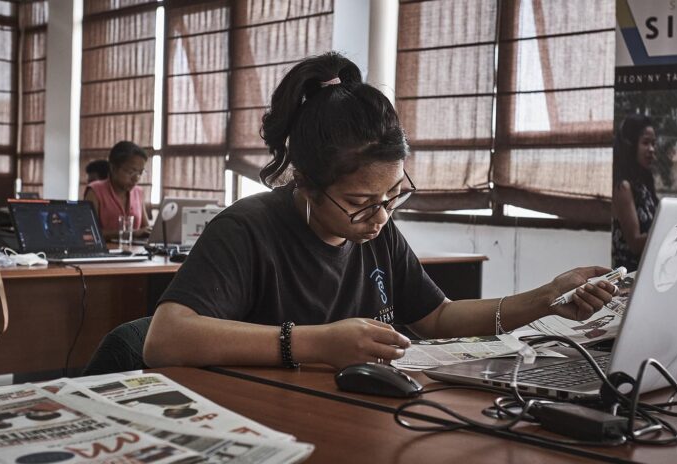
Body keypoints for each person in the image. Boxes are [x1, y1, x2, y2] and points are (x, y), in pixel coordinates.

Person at [143, 52, 616, 370]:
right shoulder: (248, 230)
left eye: (392, 196)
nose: (381, 215)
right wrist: (314, 342)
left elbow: (437, 318)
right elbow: (165, 339)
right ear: (304, 182)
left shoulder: (377, 231)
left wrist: (545, 298)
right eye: (359, 203)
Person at [611, 113, 658, 272]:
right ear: (630, 145)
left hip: (646, 270)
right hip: (628, 277)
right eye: (645, 143)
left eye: (653, 143)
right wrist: (666, 230)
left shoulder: (644, 183)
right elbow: (635, 243)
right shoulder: (623, 187)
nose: (652, 149)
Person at [84, 141, 151, 240]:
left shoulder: (138, 192)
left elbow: (145, 228)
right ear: (113, 168)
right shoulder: (95, 191)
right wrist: (128, 234)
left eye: (140, 173)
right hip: (106, 252)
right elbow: (88, 232)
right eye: (131, 171)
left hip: (136, 253)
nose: (136, 178)